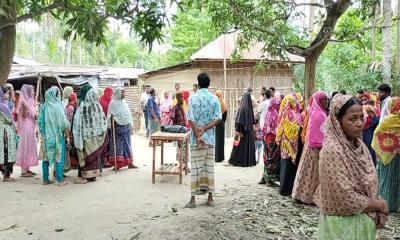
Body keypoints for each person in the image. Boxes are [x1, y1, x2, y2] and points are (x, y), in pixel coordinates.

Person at [315, 94, 388, 239]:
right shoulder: (332, 151)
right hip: (342, 227)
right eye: (352, 119)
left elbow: (370, 182)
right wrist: (380, 206)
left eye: (362, 117)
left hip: (364, 224)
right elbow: (344, 197)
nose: (360, 123)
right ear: (337, 121)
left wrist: (378, 210)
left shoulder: (359, 146)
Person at [186, 72, 222, 208]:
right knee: (209, 167)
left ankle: (193, 200)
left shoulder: (193, 98)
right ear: (209, 83)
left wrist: (197, 135)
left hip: (196, 139)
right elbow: (218, 118)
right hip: (210, 138)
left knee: (196, 168)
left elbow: (191, 119)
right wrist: (206, 129)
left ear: (198, 83)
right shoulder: (214, 98)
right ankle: (210, 198)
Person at [292, 91, 329, 204]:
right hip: (316, 148)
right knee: (313, 173)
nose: (327, 102)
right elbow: (318, 133)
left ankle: (302, 194)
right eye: (324, 100)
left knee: (307, 172)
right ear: (319, 101)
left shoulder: (316, 111)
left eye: (327, 100)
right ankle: (310, 197)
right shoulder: (319, 114)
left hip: (312, 147)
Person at [73, 88, 108, 183]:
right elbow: (104, 121)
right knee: (94, 157)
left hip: (86, 137)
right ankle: (93, 176)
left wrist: (78, 134)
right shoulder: (98, 107)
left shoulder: (82, 106)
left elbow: (77, 122)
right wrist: (101, 132)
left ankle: (86, 175)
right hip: (96, 137)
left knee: (86, 156)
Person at [372, 96, 400, 213]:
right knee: (396, 180)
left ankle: (387, 204)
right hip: (397, 155)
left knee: (386, 180)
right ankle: (395, 204)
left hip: (387, 155)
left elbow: (377, 135)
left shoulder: (387, 121)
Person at [38, 87, 70, 186]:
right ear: (55, 95)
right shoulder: (58, 106)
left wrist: (43, 133)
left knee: (46, 158)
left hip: (46, 137)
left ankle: (45, 179)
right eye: (59, 93)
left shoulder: (44, 107)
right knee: (59, 157)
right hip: (57, 136)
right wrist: (66, 132)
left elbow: (40, 121)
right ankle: (59, 179)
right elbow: (64, 123)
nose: (60, 94)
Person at [276, 95, 302, 196]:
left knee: (285, 164)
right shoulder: (291, 113)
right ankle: (286, 189)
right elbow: (293, 128)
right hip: (290, 144)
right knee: (289, 165)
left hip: (285, 143)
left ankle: (284, 188)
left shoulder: (283, 112)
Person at [107, 88, 137, 170]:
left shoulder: (124, 102)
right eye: (123, 92)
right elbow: (109, 115)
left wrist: (130, 124)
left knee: (127, 144)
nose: (124, 93)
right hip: (117, 128)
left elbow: (128, 114)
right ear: (119, 93)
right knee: (118, 146)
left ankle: (130, 163)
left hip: (126, 127)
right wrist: (112, 117)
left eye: (124, 92)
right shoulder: (113, 103)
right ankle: (118, 164)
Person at [15, 84, 38, 177]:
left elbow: (34, 115)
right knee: (25, 147)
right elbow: (24, 116)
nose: (34, 92)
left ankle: (27, 168)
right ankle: (23, 171)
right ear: (28, 91)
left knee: (29, 147)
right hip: (26, 127)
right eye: (32, 90)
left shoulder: (31, 101)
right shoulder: (24, 102)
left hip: (31, 127)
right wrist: (25, 107)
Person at [228, 92, 256, 167]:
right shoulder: (250, 109)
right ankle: (248, 162)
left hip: (242, 133)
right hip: (249, 133)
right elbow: (253, 121)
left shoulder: (242, 108)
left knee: (240, 148)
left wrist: (238, 131)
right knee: (247, 148)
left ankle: (239, 162)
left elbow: (239, 121)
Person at [259, 96, 281, 186]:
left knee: (267, 158)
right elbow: (277, 129)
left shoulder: (269, 113)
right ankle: (269, 180)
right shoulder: (276, 115)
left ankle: (264, 178)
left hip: (267, 138)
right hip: (273, 139)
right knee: (272, 160)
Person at [0, 86, 17, 182]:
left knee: (2, 153)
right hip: (6, 133)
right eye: (5, 93)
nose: (7, 95)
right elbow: (10, 120)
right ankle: (6, 175)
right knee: (7, 154)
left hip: (2, 132)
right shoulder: (3, 106)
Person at [170, 91, 188, 163]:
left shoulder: (182, 106)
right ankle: (182, 164)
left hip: (184, 129)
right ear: (177, 98)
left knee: (184, 147)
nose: (181, 98)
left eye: (182, 97)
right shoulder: (175, 107)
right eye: (180, 97)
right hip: (179, 130)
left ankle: (183, 164)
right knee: (181, 147)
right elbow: (172, 117)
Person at [215, 90, 227, 162]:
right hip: (221, 123)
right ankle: (220, 157)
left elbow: (217, 114)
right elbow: (225, 115)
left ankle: (217, 158)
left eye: (217, 95)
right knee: (220, 140)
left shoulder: (220, 103)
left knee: (217, 140)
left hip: (218, 123)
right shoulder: (223, 102)